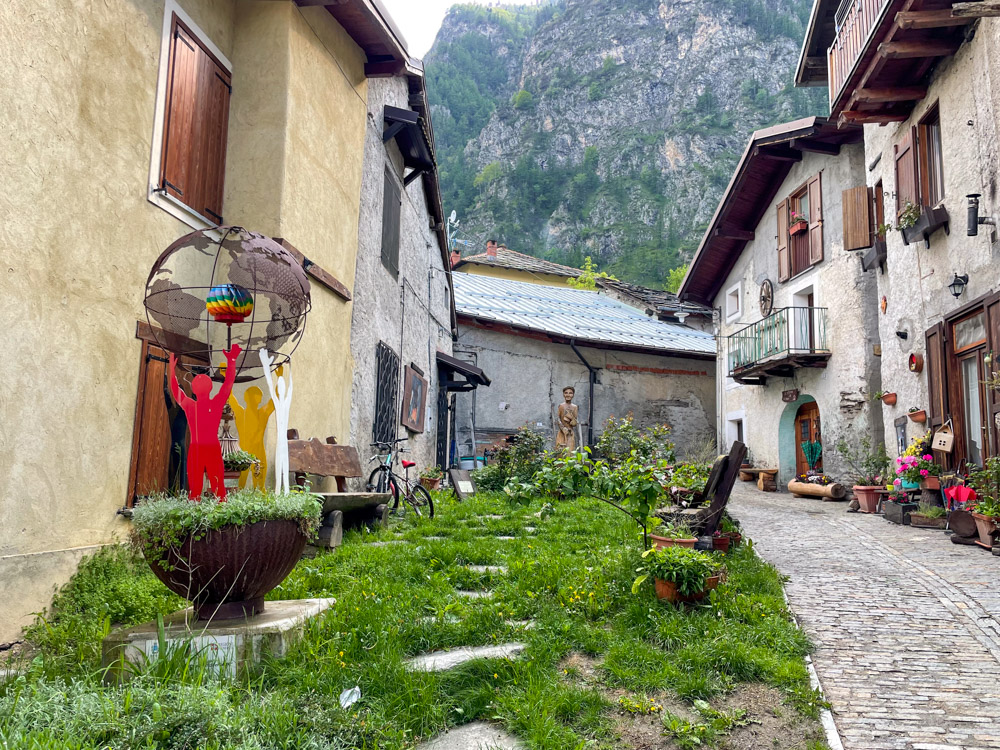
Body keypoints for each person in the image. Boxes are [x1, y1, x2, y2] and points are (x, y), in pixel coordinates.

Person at [169, 344, 242, 501]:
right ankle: (220, 516)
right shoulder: (215, 404)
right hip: (211, 447)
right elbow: (227, 385)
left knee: (195, 491)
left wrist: (171, 371)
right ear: (209, 388)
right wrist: (232, 360)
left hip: (197, 448)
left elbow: (176, 392)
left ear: (194, 390)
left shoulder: (190, 406)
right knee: (218, 490)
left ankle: (196, 516)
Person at [555, 386, 581, 452]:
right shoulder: (561, 406)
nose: (568, 395)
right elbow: (558, 418)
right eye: (566, 393)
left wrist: (572, 419)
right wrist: (563, 428)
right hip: (562, 432)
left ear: (573, 395)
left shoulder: (575, 407)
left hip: (570, 433)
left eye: (570, 393)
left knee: (570, 451)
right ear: (563, 394)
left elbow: (574, 422)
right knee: (560, 451)